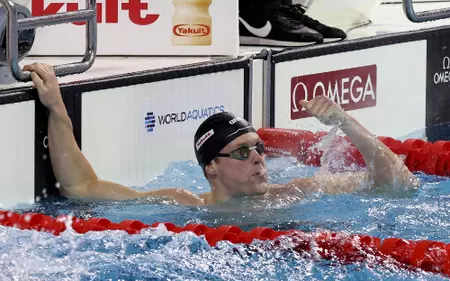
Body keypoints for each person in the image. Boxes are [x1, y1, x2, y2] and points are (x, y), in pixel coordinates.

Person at [24, 63, 418, 206]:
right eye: (243, 152)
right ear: (211, 168)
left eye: (259, 149)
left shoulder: (297, 192)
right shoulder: (181, 203)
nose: (260, 159)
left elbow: (399, 184)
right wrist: (57, 109)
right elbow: (82, 187)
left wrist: (345, 122)